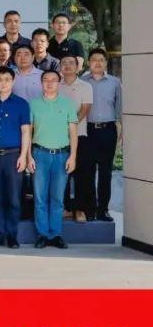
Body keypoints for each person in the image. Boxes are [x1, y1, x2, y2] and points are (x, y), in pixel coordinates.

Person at [29, 70, 79, 249]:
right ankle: (42, 234)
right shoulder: (33, 104)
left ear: (59, 83)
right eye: (46, 80)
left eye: (53, 80)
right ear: (41, 83)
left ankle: (55, 234)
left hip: (61, 155)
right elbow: (28, 132)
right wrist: (28, 156)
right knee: (40, 197)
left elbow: (73, 132)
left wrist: (73, 156)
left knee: (57, 198)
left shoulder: (67, 104)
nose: (49, 83)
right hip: (39, 154)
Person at [0, 67, 31, 248]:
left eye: (7, 79)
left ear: (13, 81)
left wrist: (23, 156)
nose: (3, 83)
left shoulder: (21, 104)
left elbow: (25, 131)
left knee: (13, 197)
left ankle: (12, 235)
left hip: (13, 156)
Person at [79, 48, 123, 223]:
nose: (97, 62)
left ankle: (103, 209)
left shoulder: (114, 82)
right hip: (87, 131)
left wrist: (121, 131)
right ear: (89, 62)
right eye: (94, 59)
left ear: (105, 63)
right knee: (87, 172)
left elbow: (119, 108)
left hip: (108, 130)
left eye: (101, 60)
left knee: (106, 172)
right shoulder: (82, 81)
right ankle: (89, 209)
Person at [58, 54, 92, 221]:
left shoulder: (85, 86)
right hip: (58, 137)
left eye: (71, 63)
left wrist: (70, 126)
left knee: (80, 173)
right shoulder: (56, 85)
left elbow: (85, 109)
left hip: (79, 135)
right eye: (64, 63)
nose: (67, 65)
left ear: (78, 67)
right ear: (60, 67)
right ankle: (66, 208)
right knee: (62, 173)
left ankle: (80, 209)